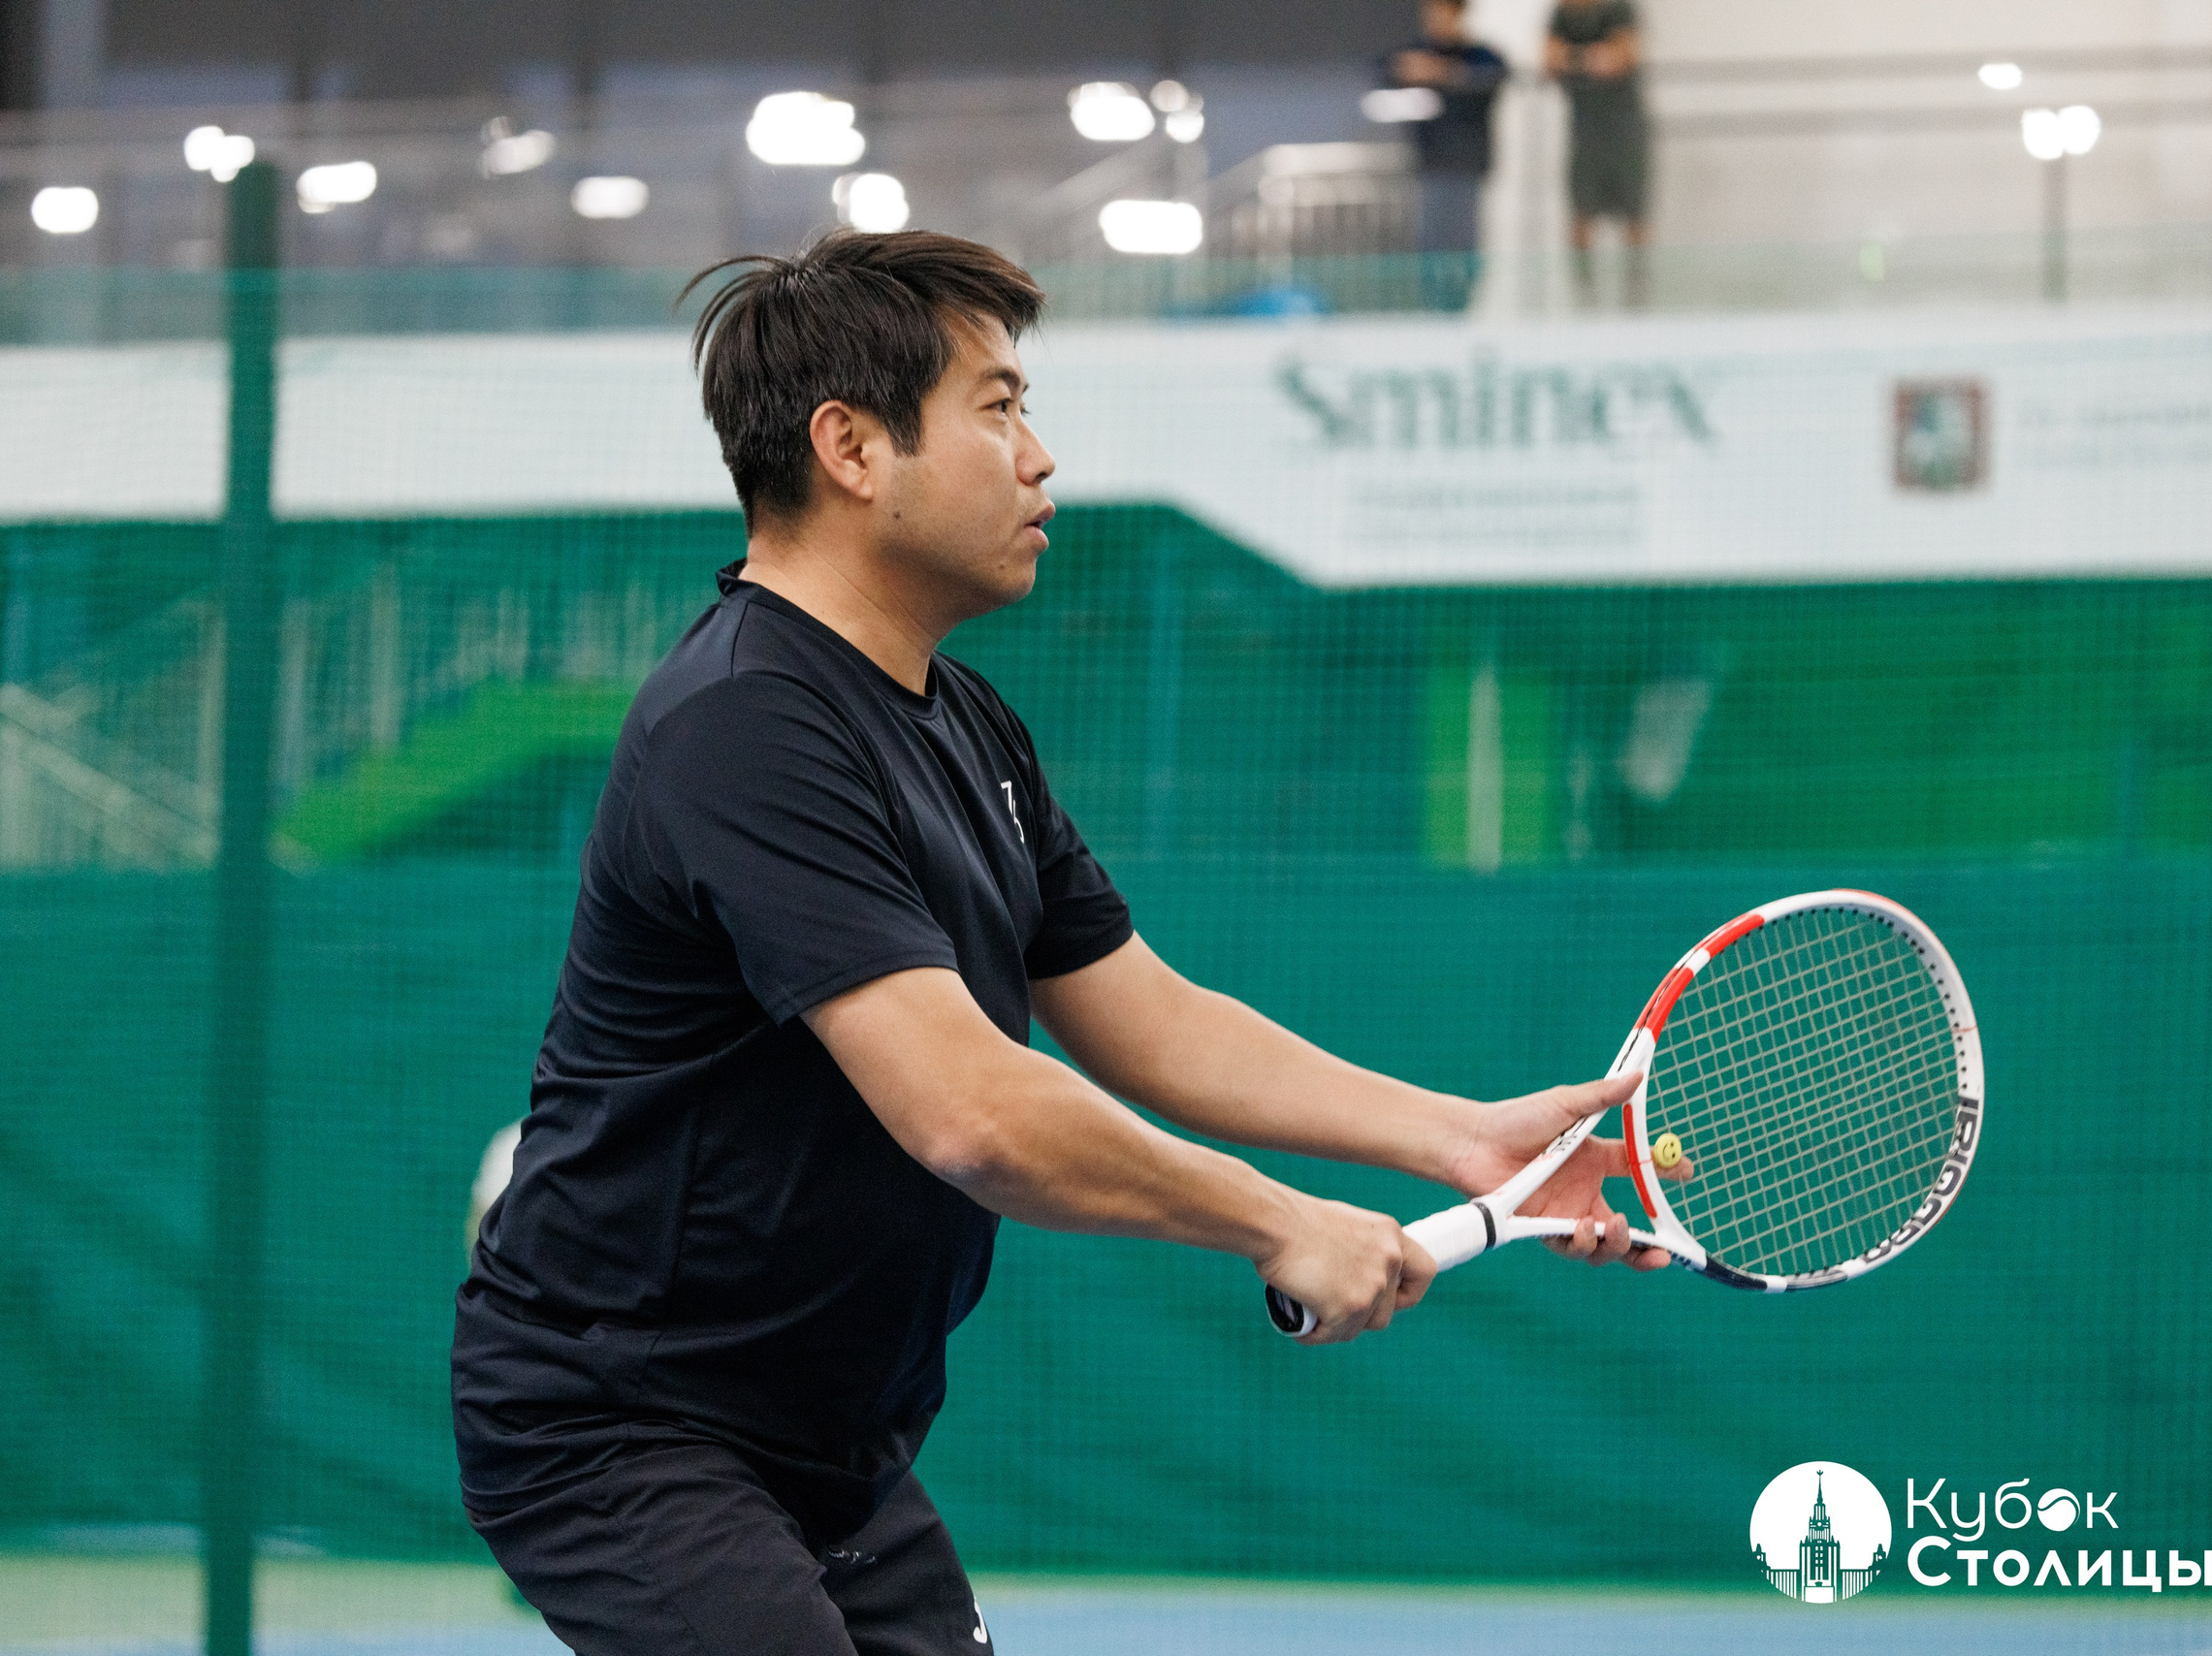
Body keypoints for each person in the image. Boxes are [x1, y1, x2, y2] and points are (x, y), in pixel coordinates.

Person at [452, 229, 1677, 1656]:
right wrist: (1278, 1222)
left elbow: (1154, 1021)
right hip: (624, 1425)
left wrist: (1460, 1142)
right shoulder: (743, 723)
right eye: (997, 406)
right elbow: (971, 1112)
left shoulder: (971, 728)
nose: (1040, 458)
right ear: (851, 447)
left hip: (831, 1438)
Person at [1382, 0, 1509, 309]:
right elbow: (1383, 71)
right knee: (1430, 247)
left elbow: (1496, 74)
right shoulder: (1416, 52)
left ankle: (1462, 306)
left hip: (1466, 166)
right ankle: (1433, 308)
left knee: (1463, 246)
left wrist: (1442, 73)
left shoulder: (1478, 55)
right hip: (1431, 164)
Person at [1544, 0, 1651, 306]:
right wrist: (1590, 58)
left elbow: (1621, 59)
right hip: (1584, 134)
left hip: (1624, 132)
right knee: (1581, 214)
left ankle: (1637, 292)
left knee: (1634, 214)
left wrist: (1573, 58)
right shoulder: (1560, 15)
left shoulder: (1619, 9)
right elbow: (1549, 60)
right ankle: (1583, 294)